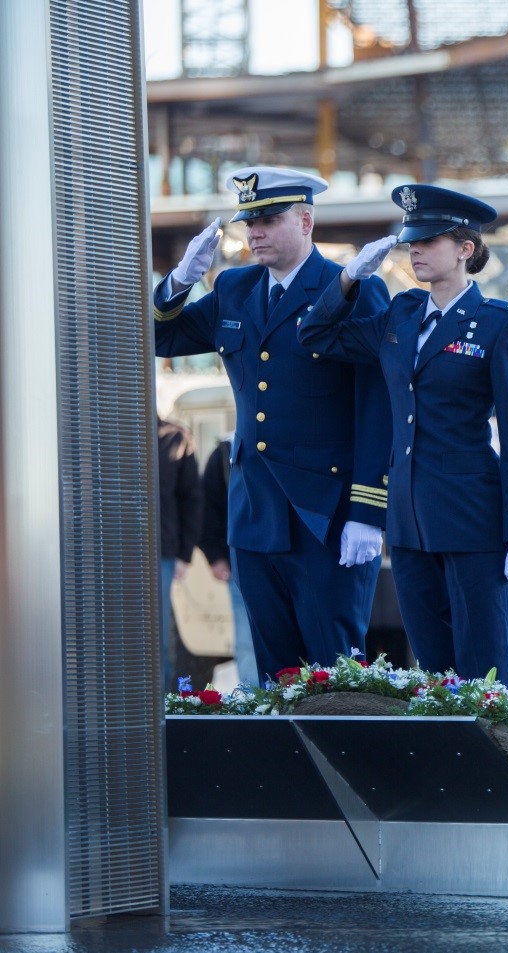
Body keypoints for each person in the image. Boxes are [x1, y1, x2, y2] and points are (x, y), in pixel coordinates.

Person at [153, 167, 391, 681]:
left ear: (305, 220)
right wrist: (178, 283)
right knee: (271, 672)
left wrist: (368, 509)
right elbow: (160, 339)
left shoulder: (351, 288)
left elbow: (378, 406)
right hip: (256, 511)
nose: (253, 232)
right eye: (248, 222)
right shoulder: (236, 287)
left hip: (324, 513)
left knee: (337, 672)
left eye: (268, 219)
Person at [298, 185, 508, 685]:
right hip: (407, 520)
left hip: (475, 518)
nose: (416, 251)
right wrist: (347, 278)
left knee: (486, 674)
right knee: (433, 672)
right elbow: (316, 335)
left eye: (429, 241)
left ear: (466, 249)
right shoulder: (401, 315)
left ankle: (497, 764)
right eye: (412, 242)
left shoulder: (498, 324)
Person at [197, 433, 259, 687]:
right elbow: (206, 507)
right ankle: (257, 704)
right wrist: (215, 557)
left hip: (284, 558)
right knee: (247, 640)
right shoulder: (224, 451)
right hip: (240, 563)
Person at [157, 415, 203, 690]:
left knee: (156, 637)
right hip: (103, 555)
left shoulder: (175, 437)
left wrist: (183, 555)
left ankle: (159, 709)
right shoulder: (99, 433)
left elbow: (191, 498)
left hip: (160, 553)